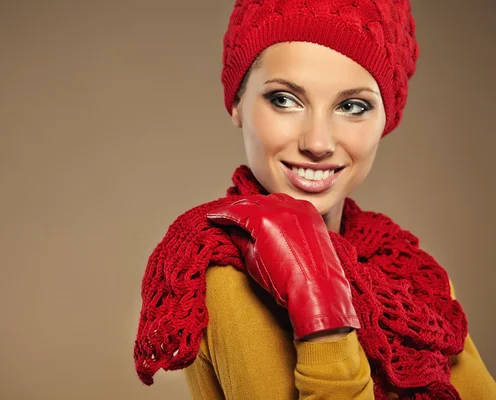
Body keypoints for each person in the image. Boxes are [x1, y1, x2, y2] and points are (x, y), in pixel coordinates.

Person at [134, 0, 496, 398]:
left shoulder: (412, 277)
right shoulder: (227, 279)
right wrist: (326, 319)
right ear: (238, 103)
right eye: (285, 99)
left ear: (386, 120)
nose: (318, 143)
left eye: (352, 106)